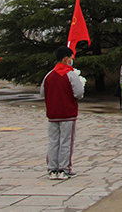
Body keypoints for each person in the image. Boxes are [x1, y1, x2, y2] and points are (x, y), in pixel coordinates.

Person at [40, 46, 84, 180]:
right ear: (66, 59)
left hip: (53, 114)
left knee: (53, 141)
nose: (72, 60)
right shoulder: (71, 75)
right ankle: (64, 169)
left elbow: (42, 93)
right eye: (71, 58)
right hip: (68, 113)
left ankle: (52, 169)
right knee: (66, 141)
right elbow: (79, 93)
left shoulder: (49, 75)